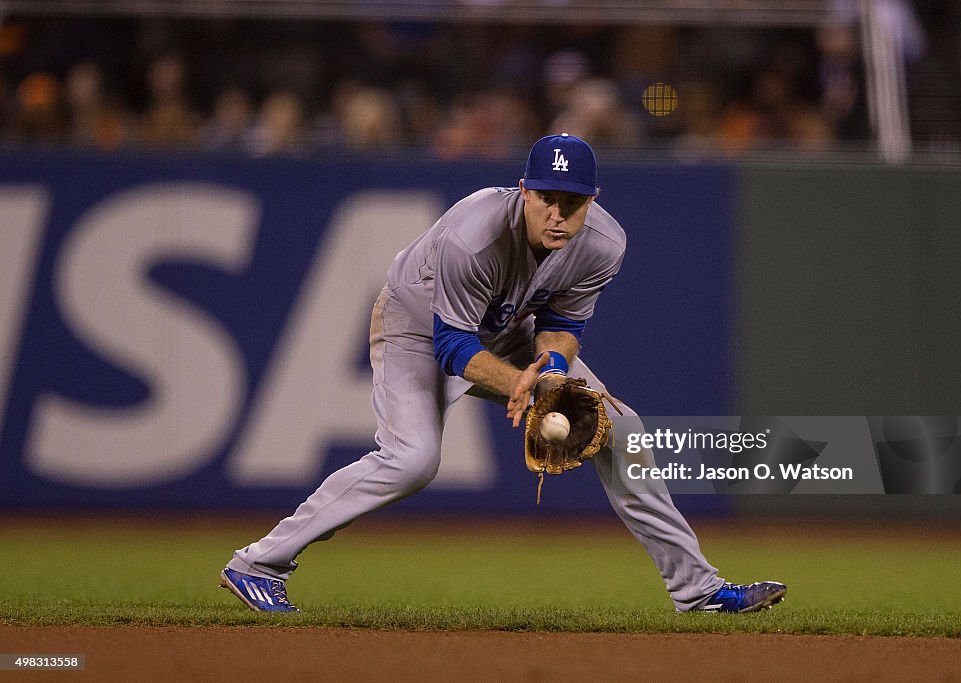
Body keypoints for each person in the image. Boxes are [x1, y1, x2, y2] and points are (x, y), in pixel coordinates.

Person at [219, 133, 786, 614]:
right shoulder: (475, 236)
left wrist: (555, 378)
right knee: (412, 459)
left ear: (593, 200)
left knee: (625, 430)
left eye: (573, 201)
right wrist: (523, 384)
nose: (558, 214)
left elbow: (562, 321)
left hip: (510, 328)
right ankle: (257, 563)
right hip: (416, 324)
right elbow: (452, 346)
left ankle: (698, 589)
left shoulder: (604, 245)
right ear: (524, 191)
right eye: (546, 198)